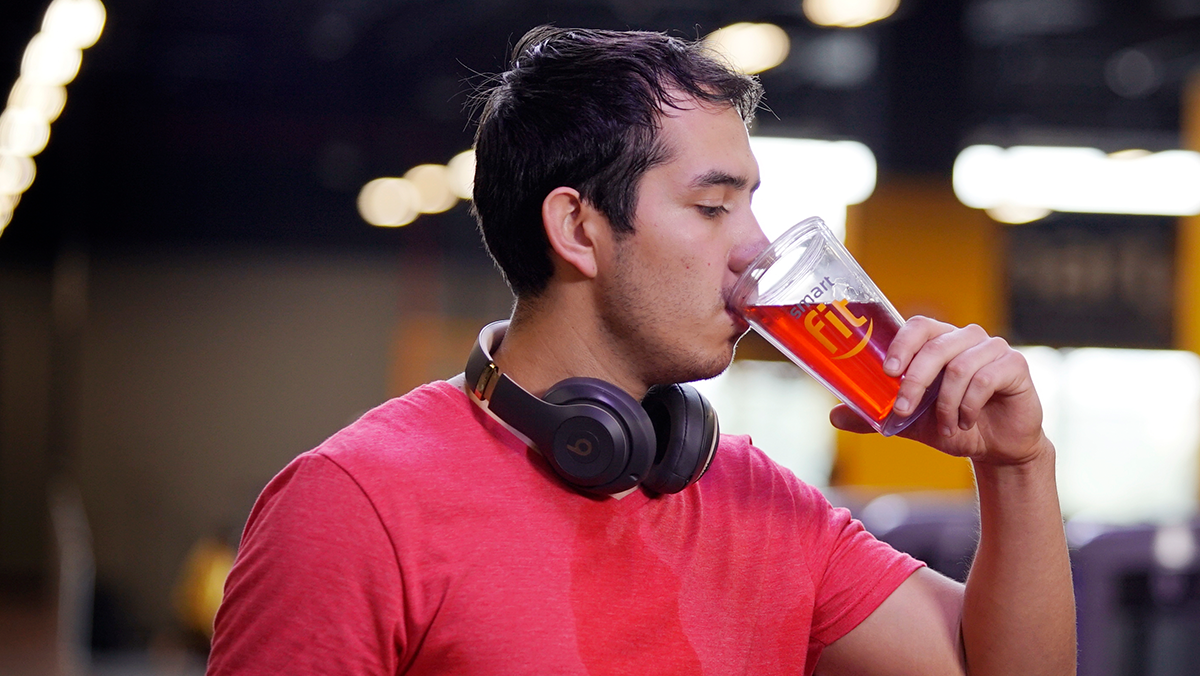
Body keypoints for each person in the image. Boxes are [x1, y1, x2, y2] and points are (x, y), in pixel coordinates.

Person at [206, 26, 1075, 675]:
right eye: (713, 207)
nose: (754, 248)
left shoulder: (758, 499)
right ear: (578, 229)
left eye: (751, 205)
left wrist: (1016, 465)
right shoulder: (354, 504)